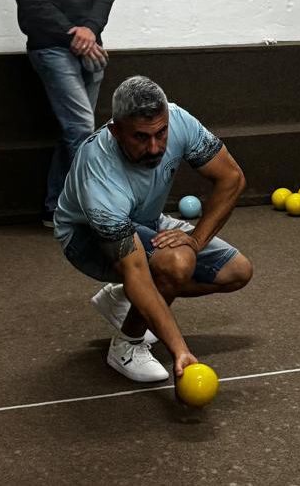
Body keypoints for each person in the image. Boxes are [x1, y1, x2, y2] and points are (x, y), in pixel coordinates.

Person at [55, 76, 253, 382]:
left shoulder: (178, 119)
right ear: (115, 130)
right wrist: (180, 350)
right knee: (176, 264)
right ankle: (127, 345)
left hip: (147, 221)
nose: (154, 147)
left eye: (161, 133)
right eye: (141, 137)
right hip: (85, 239)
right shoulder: (98, 168)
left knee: (237, 271)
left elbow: (232, 178)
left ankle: (121, 298)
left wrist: (196, 241)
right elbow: (135, 268)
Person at [10, 0, 115, 228]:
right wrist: (75, 33)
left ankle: (55, 210)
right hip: (52, 47)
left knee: (74, 130)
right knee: (82, 130)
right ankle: (98, 211)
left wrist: (89, 29)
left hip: (92, 47)